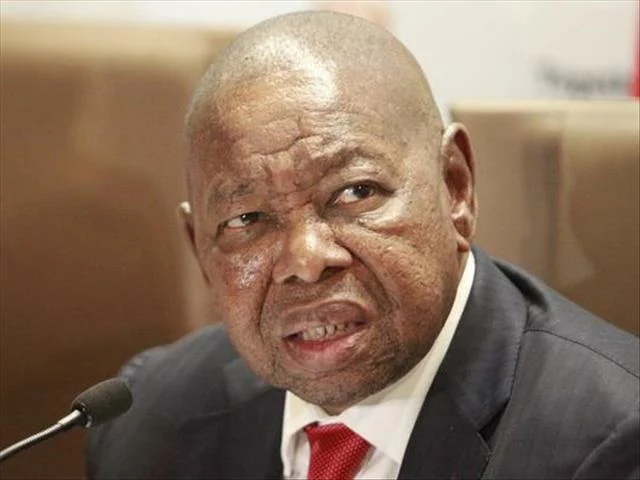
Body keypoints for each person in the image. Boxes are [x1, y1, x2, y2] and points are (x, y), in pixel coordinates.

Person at [87, 11, 639, 479]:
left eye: (355, 192)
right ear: (199, 249)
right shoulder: (146, 425)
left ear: (455, 186)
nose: (306, 261)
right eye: (247, 219)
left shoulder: (610, 443)